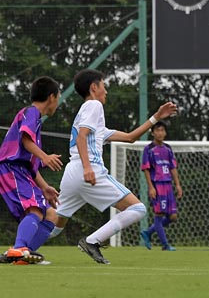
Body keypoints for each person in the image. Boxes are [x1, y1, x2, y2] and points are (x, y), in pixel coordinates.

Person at [50, 69, 177, 264]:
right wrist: (87, 168)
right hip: (87, 169)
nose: (106, 91)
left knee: (56, 226)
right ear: (94, 87)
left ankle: (20, 247)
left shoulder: (91, 120)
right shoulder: (93, 105)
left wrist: (156, 117)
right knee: (138, 209)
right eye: (104, 85)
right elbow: (82, 136)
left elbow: (130, 137)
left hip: (71, 173)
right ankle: (92, 241)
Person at [0, 76, 63, 265]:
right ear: (51, 97)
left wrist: (45, 187)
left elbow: (30, 166)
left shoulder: (35, 122)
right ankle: (19, 248)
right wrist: (45, 156)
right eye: (59, 96)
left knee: (51, 215)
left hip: (18, 171)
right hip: (11, 169)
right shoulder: (31, 113)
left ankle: (23, 256)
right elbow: (25, 140)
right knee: (35, 209)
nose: (58, 102)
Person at [139, 121, 182, 251]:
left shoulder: (168, 148)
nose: (160, 133)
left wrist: (178, 185)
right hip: (157, 185)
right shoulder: (149, 149)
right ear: (152, 133)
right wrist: (151, 187)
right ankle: (165, 245)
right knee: (159, 214)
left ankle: (148, 232)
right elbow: (146, 169)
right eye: (157, 130)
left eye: (162, 130)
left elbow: (173, 167)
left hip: (168, 184)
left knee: (172, 216)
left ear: (165, 132)